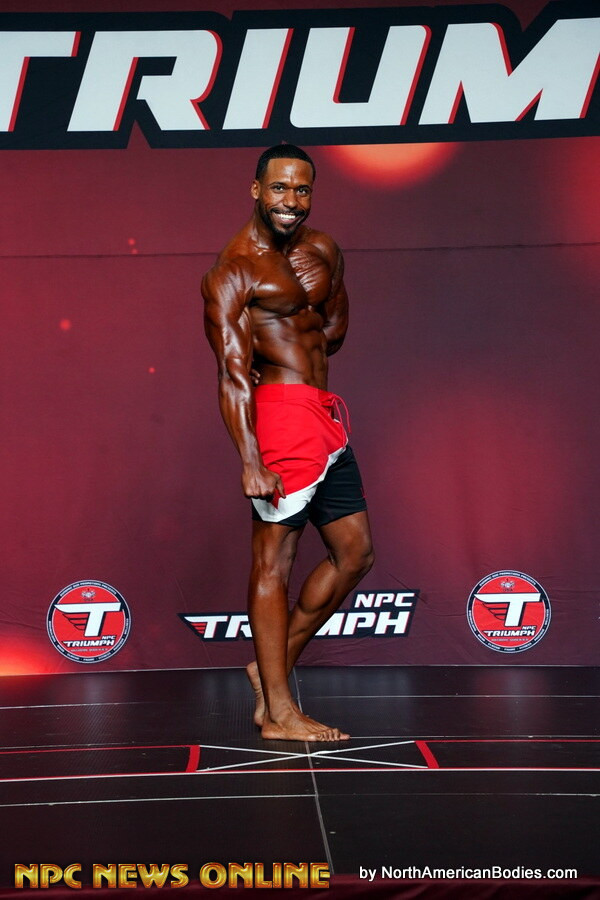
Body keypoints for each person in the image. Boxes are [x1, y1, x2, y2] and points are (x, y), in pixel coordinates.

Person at [202, 144, 374, 741]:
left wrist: (305, 334)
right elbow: (231, 373)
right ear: (256, 190)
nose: (290, 201)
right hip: (279, 417)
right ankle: (278, 711)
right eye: (279, 188)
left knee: (355, 553)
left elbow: (333, 331)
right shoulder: (233, 270)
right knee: (274, 562)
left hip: (323, 413)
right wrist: (250, 459)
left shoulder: (323, 249)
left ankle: (268, 669)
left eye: (301, 190)